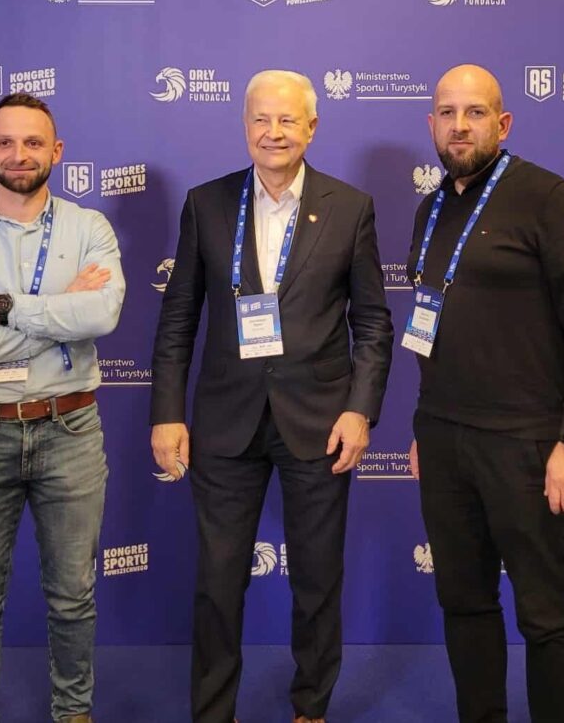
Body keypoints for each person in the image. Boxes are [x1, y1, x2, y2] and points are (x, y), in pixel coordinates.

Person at [150, 70, 393, 723]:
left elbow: (372, 322)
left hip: (320, 421)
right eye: (261, 118)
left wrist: (360, 409)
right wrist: (167, 413)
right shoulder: (207, 203)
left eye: (287, 120)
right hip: (224, 421)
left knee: (317, 580)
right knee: (217, 582)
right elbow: (178, 319)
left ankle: (310, 708)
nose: (273, 132)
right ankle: (213, 712)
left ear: (311, 127)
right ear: (244, 125)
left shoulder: (350, 207)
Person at [404, 64, 564, 723]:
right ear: (432, 124)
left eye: (475, 112)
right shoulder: (431, 210)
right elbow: (432, 328)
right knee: (463, 603)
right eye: (448, 113)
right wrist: (424, 426)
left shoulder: (549, 200)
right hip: (445, 440)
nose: (460, 126)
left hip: (527, 444)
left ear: (503, 123)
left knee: (546, 614)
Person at [0, 92, 125, 723]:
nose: (19, 154)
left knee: (73, 596)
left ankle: (73, 713)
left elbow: (101, 314)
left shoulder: (90, 228)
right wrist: (58, 314)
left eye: (33, 142)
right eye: (5, 142)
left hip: (71, 429)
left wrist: (0, 307)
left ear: (56, 151)